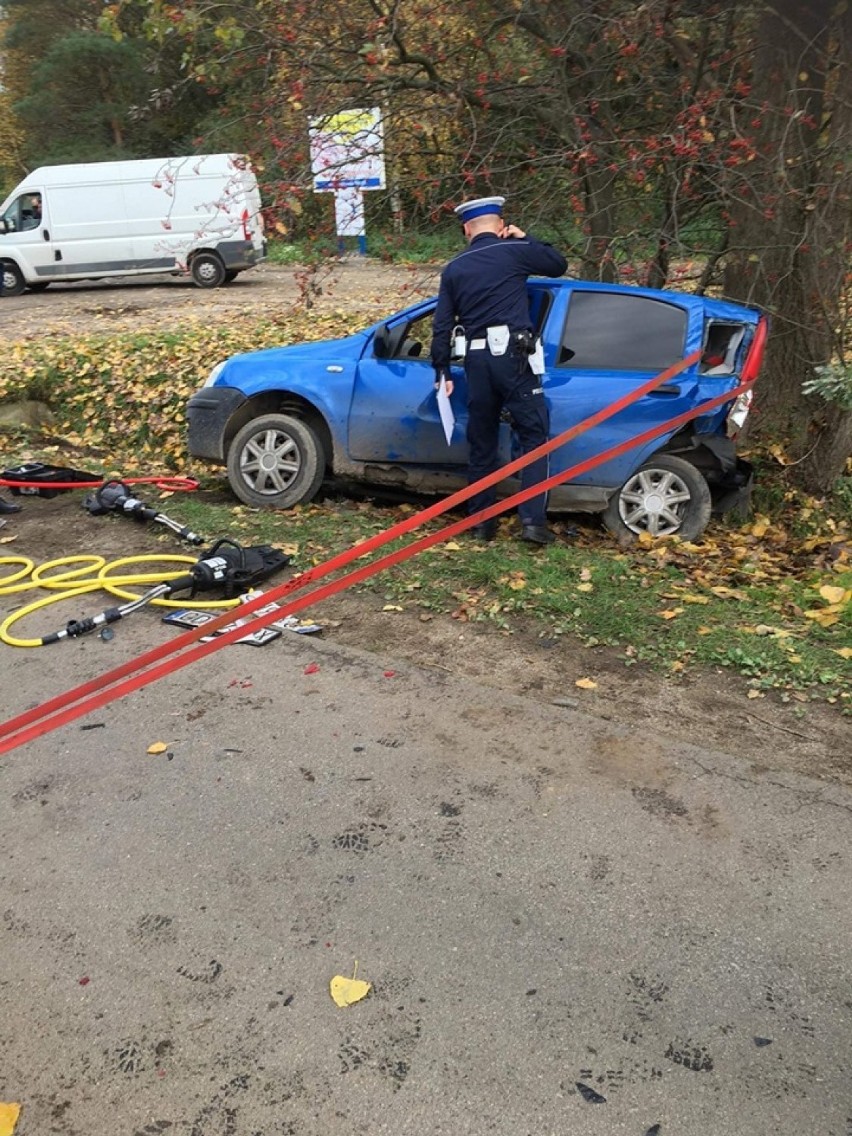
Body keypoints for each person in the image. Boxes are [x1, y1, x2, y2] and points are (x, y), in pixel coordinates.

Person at [429, 195, 567, 544]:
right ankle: (533, 524)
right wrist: (525, 239)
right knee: (534, 437)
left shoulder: (455, 268)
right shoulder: (513, 251)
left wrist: (441, 370)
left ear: (467, 230)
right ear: (501, 225)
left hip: (476, 363)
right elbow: (557, 264)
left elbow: (442, 325)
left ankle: (481, 524)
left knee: (482, 442)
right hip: (513, 357)